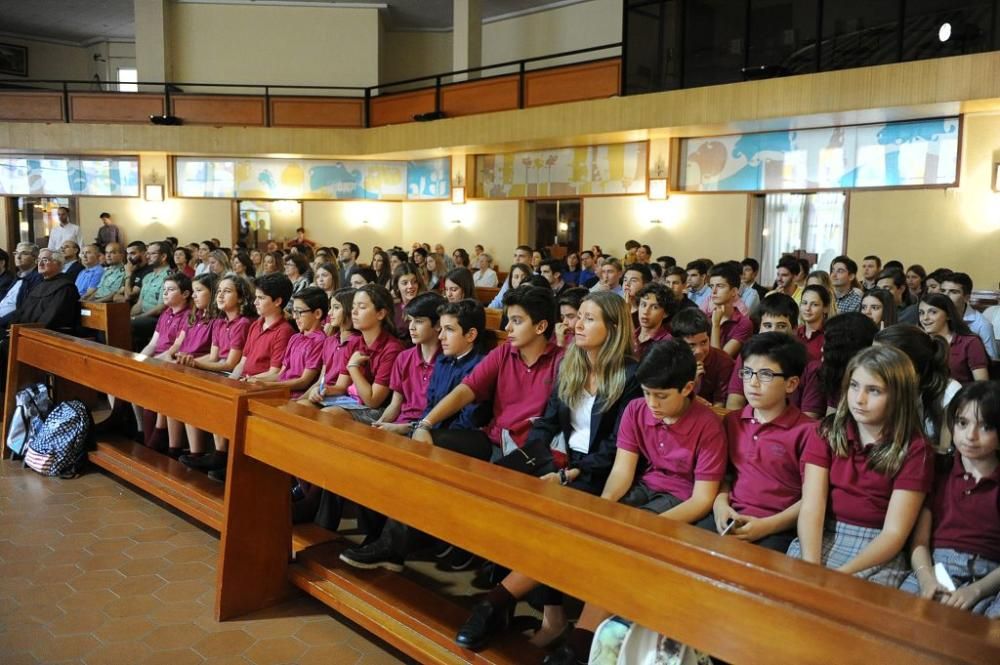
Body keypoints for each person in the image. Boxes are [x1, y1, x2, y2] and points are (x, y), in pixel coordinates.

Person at [452, 292, 641, 651]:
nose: (576, 325)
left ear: (613, 328)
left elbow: (616, 446)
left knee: (554, 522)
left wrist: (569, 474)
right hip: (564, 464)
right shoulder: (573, 363)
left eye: (588, 319)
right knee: (512, 498)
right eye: (577, 317)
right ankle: (544, 613)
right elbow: (548, 420)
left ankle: (497, 602)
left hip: (605, 472)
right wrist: (532, 458)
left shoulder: (629, 375)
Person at [546, 339, 726, 664]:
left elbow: (702, 499)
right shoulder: (637, 409)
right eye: (646, 392)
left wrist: (649, 524)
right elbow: (622, 471)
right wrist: (606, 504)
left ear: (687, 388)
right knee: (583, 525)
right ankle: (508, 605)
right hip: (646, 487)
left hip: (680, 501)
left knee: (627, 546)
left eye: (661, 396)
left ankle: (581, 641)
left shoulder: (707, 425)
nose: (652, 403)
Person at [337, 299, 492, 567]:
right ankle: (377, 537)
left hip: (466, 439)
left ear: (471, 335)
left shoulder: (480, 365)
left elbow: (469, 419)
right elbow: (430, 406)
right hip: (430, 431)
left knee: (412, 459)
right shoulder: (445, 362)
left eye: (449, 330)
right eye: (441, 329)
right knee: (370, 455)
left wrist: (417, 429)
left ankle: (392, 546)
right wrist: (415, 428)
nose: (441, 336)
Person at [788, 345, 934, 587]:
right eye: (854, 386)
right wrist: (811, 565)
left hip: (876, 549)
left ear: (898, 395)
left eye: (874, 391)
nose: (859, 399)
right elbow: (813, 506)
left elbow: (894, 534)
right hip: (823, 534)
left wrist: (842, 573)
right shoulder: (827, 431)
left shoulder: (915, 449)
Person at [409, 285, 563, 463]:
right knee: (428, 439)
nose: (507, 327)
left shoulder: (560, 360)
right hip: (493, 441)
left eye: (517, 321)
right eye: (508, 319)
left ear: (541, 326)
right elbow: (467, 389)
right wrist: (426, 423)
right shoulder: (505, 351)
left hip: (532, 448)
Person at [699, 333, 812, 552]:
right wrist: (721, 505)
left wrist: (766, 526)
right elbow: (727, 476)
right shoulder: (733, 420)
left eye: (766, 375)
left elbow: (812, 500)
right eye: (748, 373)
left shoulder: (807, 432)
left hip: (777, 527)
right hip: (730, 516)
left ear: (791, 384)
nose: (753, 383)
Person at [899, 381, 1000, 618]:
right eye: (962, 423)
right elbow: (919, 543)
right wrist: (927, 579)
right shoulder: (937, 471)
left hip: (991, 577)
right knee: (904, 618)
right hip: (936, 568)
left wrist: (976, 590)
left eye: (985, 427)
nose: (970, 436)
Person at [725, 294, 826, 419]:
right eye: (767, 326)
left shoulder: (811, 366)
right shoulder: (748, 357)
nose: (773, 332)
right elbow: (734, 402)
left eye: (781, 326)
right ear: (759, 328)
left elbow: (809, 419)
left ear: (795, 329)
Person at [320, 284, 405, 424]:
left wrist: (353, 367)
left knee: (329, 415)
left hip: (382, 410)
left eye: (362, 307)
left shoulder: (392, 349)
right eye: (353, 307)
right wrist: (322, 391)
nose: (354, 312)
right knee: (306, 408)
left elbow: (373, 401)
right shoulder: (354, 343)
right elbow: (341, 387)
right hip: (352, 401)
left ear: (381, 314)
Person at [875, 324, 960, 453]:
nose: (870, 363)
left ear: (909, 362)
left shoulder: (949, 392)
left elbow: (945, 451)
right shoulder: (874, 388)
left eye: (881, 359)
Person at [371, 292, 448, 435]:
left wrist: (401, 428)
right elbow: (395, 405)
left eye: (418, 321)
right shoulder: (404, 358)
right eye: (410, 320)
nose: (411, 327)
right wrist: (380, 424)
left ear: (438, 325)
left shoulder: (447, 362)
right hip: (400, 425)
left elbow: (440, 419)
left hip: (428, 431)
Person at [245, 286, 327, 398]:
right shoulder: (295, 338)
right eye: (293, 311)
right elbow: (281, 375)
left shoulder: (320, 341)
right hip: (280, 391)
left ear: (317, 313)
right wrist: (254, 379)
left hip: (296, 396)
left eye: (299, 312)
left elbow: (304, 381)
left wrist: (268, 385)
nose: (294, 317)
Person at [919, 293, 989, 384]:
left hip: (961, 395)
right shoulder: (919, 341)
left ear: (948, 315)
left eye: (933, 312)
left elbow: (982, 385)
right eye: (921, 313)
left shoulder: (970, 342)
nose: (925, 318)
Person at [671, 307, 733, 408]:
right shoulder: (670, 356)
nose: (699, 351)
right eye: (691, 345)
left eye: (704, 342)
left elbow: (720, 403)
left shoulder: (723, 362)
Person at [818, 312, 878, 413]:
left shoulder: (872, 380)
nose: (822, 349)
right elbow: (831, 418)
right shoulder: (836, 374)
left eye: (828, 343)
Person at [940, 271, 999, 360]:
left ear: (966, 298)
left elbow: (993, 362)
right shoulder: (934, 317)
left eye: (953, 292)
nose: (945, 296)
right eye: (943, 291)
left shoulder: (982, 325)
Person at [130, 241, 172, 351]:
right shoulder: (148, 277)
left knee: (128, 325)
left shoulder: (169, 277)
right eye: (147, 253)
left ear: (163, 256)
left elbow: (160, 308)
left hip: (158, 319)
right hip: (144, 316)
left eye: (152, 254)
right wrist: (127, 316)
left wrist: (136, 318)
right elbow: (139, 304)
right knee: (117, 322)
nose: (147, 256)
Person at [707, 262, 752, 358]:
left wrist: (715, 325)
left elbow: (719, 361)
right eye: (711, 286)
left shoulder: (743, 323)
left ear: (734, 291)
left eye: (720, 286)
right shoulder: (705, 317)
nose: (713, 291)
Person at [632, 283, 673, 360]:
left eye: (654, 307)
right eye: (643, 305)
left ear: (666, 313)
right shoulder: (631, 335)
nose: (645, 311)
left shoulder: (667, 343)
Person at [797, 285, 831, 363]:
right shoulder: (795, 334)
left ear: (825, 308)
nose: (807, 308)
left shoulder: (830, 336)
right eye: (804, 303)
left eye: (814, 304)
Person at [392, 262, 426, 330]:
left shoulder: (426, 306)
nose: (410, 286)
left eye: (414, 282)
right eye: (405, 283)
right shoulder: (393, 309)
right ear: (397, 286)